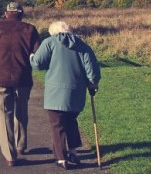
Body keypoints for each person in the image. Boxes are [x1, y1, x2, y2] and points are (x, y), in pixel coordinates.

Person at [29, 21, 101, 170]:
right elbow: (92, 69)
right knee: (71, 121)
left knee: (57, 125)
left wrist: (31, 56)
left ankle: (61, 158)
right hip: (76, 93)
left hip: (55, 94)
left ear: (53, 32)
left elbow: (37, 64)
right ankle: (73, 152)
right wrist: (93, 84)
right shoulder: (82, 45)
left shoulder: (49, 42)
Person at [0, 2, 41, 167]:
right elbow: (38, 54)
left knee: (3, 115)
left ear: (6, 13)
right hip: (23, 78)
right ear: (21, 14)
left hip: (0, 77)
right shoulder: (30, 29)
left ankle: (10, 155)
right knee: (21, 111)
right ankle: (21, 145)